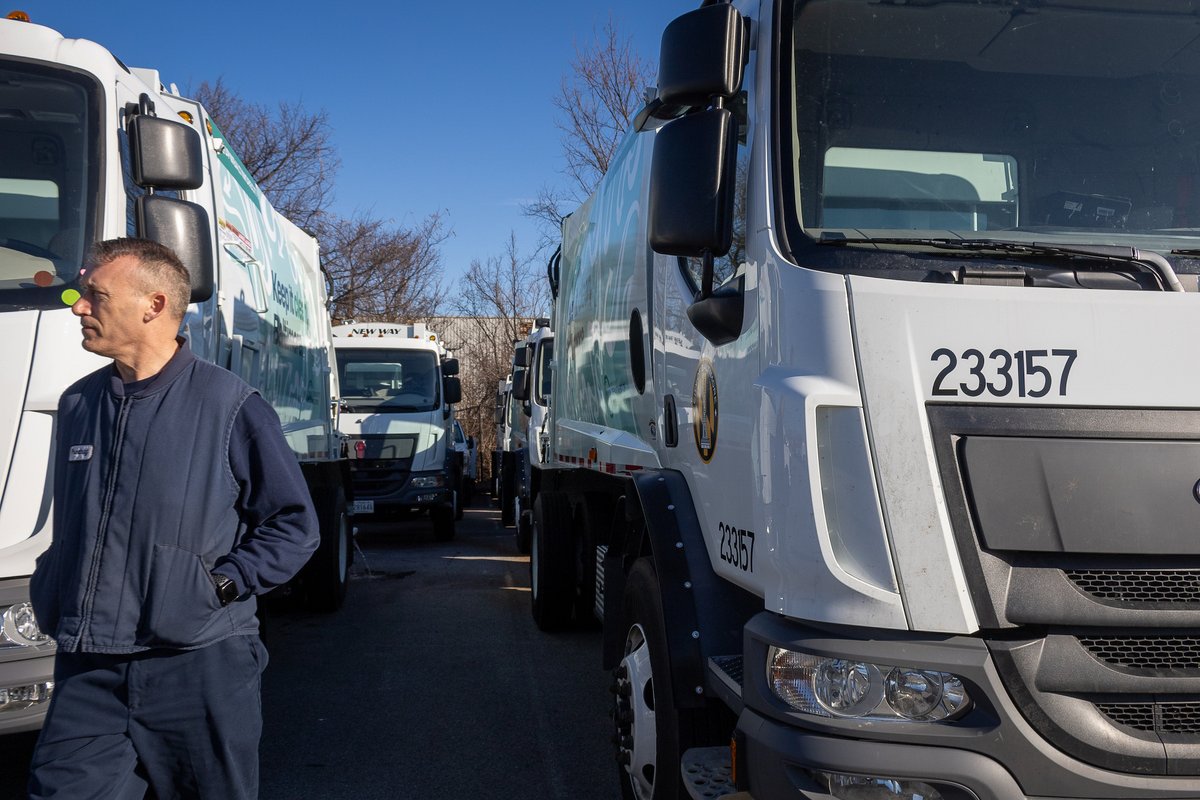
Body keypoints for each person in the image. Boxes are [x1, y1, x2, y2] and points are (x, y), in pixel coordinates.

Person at [27, 238, 320, 799]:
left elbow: (293, 524)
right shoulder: (77, 404)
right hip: (88, 667)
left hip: (198, 665)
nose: (78, 306)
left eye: (95, 295)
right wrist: (54, 577)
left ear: (154, 305)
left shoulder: (230, 404)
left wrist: (221, 584)